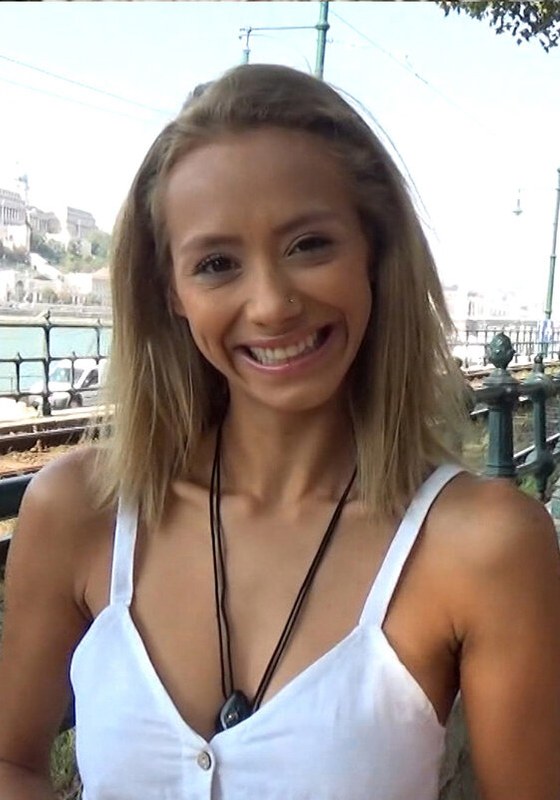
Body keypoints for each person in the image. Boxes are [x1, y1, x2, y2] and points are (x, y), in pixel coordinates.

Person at [0, 63, 559, 800]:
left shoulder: (483, 546)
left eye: (309, 245)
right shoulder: (80, 509)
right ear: (171, 291)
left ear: (373, 252)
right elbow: (11, 762)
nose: (270, 305)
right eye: (217, 263)